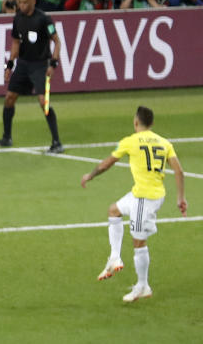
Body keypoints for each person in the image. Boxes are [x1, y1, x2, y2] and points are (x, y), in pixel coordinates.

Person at [80, 106, 187, 303]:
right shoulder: (164, 143)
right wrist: (181, 198)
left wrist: (91, 175)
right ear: (152, 124)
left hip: (144, 199)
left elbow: (106, 164)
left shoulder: (130, 141)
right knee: (114, 210)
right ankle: (114, 257)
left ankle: (142, 286)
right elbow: (179, 172)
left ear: (135, 122)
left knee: (139, 243)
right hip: (149, 194)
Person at [0, 0, 63, 154]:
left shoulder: (44, 19)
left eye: (24, 3)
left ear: (32, 3)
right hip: (23, 64)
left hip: (40, 65)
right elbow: (15, 43)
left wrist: (53, 64)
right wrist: (9, 66)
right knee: (9, 98)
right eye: (20, 3)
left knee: (43, 102)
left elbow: (57, 42)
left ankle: (56, 142)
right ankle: (6, 138)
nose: (21, 6)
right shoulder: (18, 18)